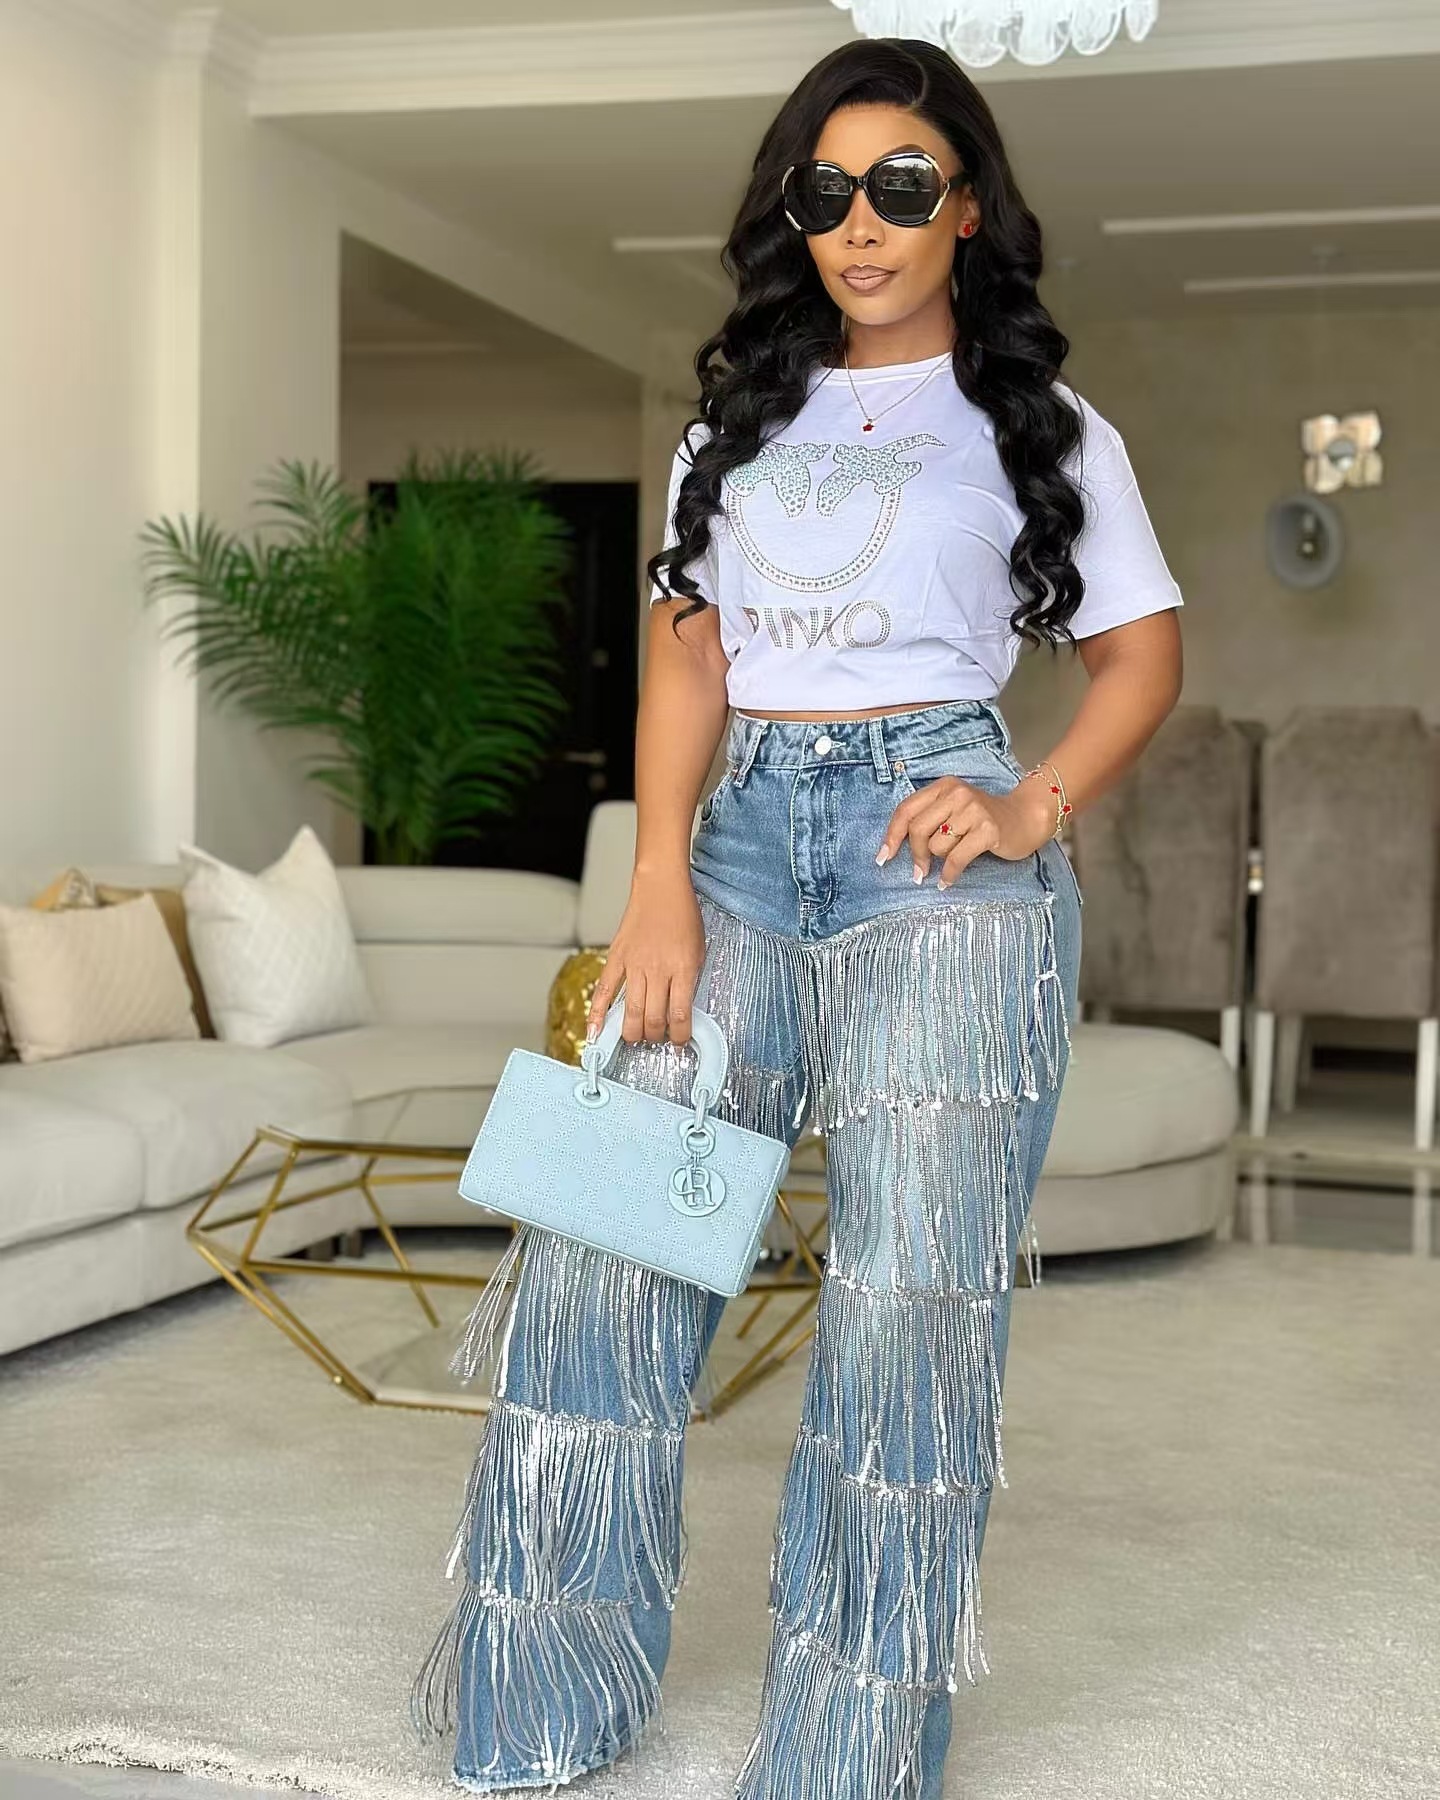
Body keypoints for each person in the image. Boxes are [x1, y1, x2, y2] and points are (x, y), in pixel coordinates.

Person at [410, 34, 1183, 1800]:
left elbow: (1142, 653)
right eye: (826, 193)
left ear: (967, 208)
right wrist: (657, 880)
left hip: (944, 865)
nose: (861, 224)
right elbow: (692, 661)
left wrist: (1032, 803)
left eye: (901, 187)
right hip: (735, 851)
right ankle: (540, 1709)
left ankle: (846, 1761)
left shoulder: (1043, 425)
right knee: (597, 1268)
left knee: (909, 1318)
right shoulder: (735, 423)